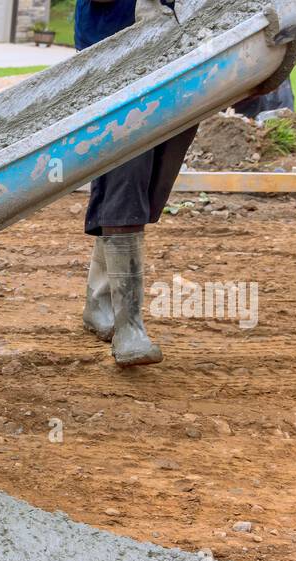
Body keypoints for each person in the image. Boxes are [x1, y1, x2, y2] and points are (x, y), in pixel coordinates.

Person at [76, 0, 190, 367]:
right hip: (119, 53)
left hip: (186, 51)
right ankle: (129, 327)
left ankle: (100, 299)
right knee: (126, 175)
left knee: (151, 185)